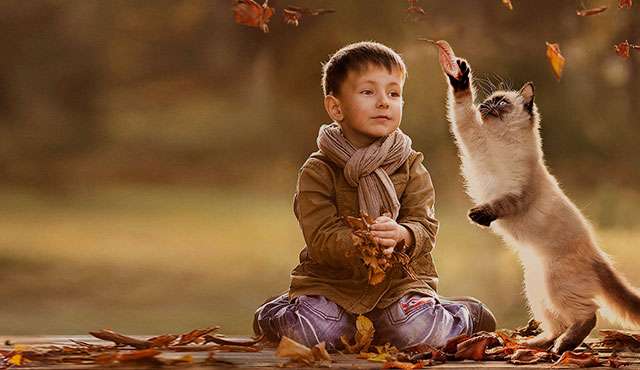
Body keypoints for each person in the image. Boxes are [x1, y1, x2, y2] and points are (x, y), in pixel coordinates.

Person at [253, 41, 496, 351]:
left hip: (399, 286)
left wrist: (402, 234)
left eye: (393, 93)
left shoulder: (410, 164)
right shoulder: (318, 170)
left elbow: (425, 224)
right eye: (368, 92)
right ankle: (275, 314)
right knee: (312, 334)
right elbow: (320, 237)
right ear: (336, 107)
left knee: (418, 333)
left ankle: (462, 316)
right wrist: (363, 239)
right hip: (332, 286)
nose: (384, 102)